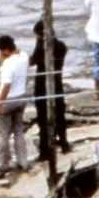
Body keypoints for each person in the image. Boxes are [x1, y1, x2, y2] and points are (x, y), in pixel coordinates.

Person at [0, 34, 29, 173]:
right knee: (18, 131)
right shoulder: (24, 56)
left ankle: (3, 163)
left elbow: (6, 85)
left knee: (4, 133)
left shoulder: (8, 64)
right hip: (21, 97)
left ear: (5, 50)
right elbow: (19, 51)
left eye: (0, 50)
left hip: (8, 100)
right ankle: (23, 161)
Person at [29, 19, 71, 156]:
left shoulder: (42, 48)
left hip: (42, 85)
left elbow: (32, 61)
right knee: (60, 115)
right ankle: (64, 142)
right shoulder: (62, 46)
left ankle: (44, 149)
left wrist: (38, 44)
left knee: (42, 117)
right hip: (57, 83)